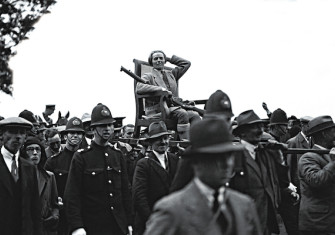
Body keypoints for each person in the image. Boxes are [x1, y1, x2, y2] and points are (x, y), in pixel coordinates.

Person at [144, 118, 261, 235]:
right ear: (197, 162)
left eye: (229, 156)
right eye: (217, 158)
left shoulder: (244, 205)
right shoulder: (172, 211)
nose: (226, 164)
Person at [64, 103, 132, 235]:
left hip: (118, 226)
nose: (107, 129)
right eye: (102, 125)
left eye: (110, 125)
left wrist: (129, 222)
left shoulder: (117, 155)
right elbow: (72, 195)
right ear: (93, 129)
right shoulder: (82, 157)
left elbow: (125, 193)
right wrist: (77, 226)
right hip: (92, 226)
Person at [231, 110, 290, 235]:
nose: (260, 130)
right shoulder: (234, 155)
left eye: (261, 126)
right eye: (254, 127)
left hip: (266, 223)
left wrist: (279, 158)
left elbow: (283, 183)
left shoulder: (267, 154)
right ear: (242, 132)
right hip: (244, 223)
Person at [170, 89, 234, 193]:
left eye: (226, 120)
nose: (222, 125)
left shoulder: (236, 151)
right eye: (216, 120)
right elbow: (177, 193)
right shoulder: (195, 153)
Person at [136, 50, 200, 140]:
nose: (159, 60)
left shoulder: (171, 74)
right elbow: (139, 87)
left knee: (195, 115)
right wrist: (160, 89)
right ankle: (184, 143)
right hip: (158, 110)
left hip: (173, 108)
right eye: (155, 59)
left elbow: (186, 64)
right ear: (151, 62)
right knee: (183, 114)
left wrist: (168, 59)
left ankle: (197, 142)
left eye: (161, 58)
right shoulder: (149, 76)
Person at [132, 121, 179, 235]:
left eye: (165, 138)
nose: (163, 142)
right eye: (159, 139)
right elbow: (139, 196)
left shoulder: (175, 160)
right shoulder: (143, 164)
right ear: (151, 142)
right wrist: (152, 220)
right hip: (151, 224)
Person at [0, 117, 42, 235]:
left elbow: (35, 209)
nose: (18, 136)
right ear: (1, 134)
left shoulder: (29, 167)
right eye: (13, 131)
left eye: (22, 133)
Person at [44, 117, 85, 235]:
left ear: (82, 136)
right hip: (62, 215)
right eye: (72, 133)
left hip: (84, 213)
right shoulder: (53, 162)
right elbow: (46, 191)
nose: (75, 136)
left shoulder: (88, 159)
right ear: (65, 136)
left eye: (78, 133)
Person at [298, 115, 335, 235]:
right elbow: (316, 181)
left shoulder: (330, 154)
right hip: (318, 224)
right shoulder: (308, 157)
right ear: (324, 134)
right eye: (333, 131)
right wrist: (334, 163)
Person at [22, 137, 59, 235]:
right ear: (24, 153)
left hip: (46, 229)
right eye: (30, 149)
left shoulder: (49, 176)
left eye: (37, 149)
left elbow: (55, 204)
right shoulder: (18, 176)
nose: (34, 153)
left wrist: (54, 216)